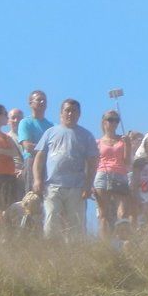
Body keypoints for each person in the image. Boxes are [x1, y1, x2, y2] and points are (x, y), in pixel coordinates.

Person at [33, 99, 99, 241]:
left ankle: (75, 252)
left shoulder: (86, 135)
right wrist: (37, 180)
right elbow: (39, 158)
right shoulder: (50, 132)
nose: (70, 113)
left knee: (76, 226)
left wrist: (88, 185)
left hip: (76, 188)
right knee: (51, 220)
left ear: (79, 114)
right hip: (52, 186)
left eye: (74, 111)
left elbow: (93, 162)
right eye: (67, 110)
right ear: (61, 113)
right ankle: (51, 249)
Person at [93, 110, 133, 240]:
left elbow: (127, 162)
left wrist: (128, 145)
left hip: (120, 174)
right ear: (104, 122)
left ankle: (122, 242)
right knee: (103, 214)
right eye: (110, 119)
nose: (114, 123)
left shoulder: (123, 140)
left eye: (116, 120)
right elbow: (93, 163)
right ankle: (105, 245)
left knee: (123, 214)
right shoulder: (97, 142)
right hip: (102, 175)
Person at [17, 90, 52, 192]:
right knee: (32, 195)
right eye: (39, 100)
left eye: (44, 100)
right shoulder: (25, 122)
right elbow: (27, 146)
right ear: (30, 103)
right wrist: (45, 151)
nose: (42, 102)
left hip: (49, 164)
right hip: (31, 162)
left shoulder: (52, 126)